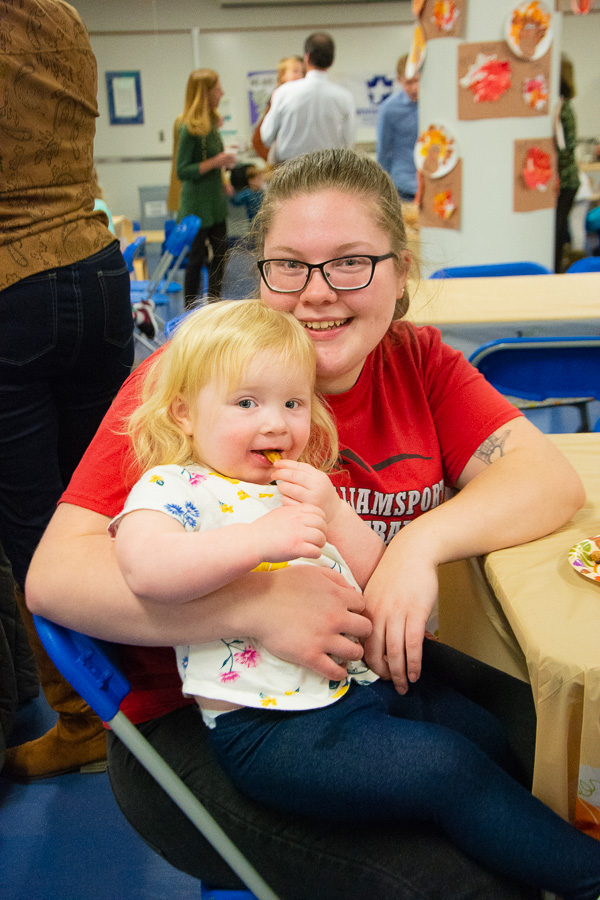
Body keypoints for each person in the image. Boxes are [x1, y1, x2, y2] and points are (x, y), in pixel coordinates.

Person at [26, 148, 586, 900]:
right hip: (206, 719)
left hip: (364, 681)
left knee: (549, 757)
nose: (317, 295)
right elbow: (55, 577)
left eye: (352, 262)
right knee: (462, 878)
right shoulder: (195, 381)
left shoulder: (416, 361)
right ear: (260, 273)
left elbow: (544, 477)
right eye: (289, 265)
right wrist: (253, 607)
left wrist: (421, 544)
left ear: (401, 268)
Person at [109, 299, 600, 900]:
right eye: (246, 403)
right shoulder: (176, 487)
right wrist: (255, 541)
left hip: (354, 692)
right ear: (185, 413)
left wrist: (336, 512)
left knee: (487, 733)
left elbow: (375, 575)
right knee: (447, 770)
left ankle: (517, 848)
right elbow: (145, 568)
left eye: (292, 403)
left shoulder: (297, 484)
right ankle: (584, 880)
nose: (275, 424)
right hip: (271, 732)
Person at [0, 0, 134, 781]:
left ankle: (83, 721)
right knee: (103, 502)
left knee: (33, 531)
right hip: (95, 265)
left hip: (11, 285)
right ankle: (143, 693)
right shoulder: (62, 16)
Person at [173, 69, 237, 307]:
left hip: (214, 202)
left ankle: (214, 306)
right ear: (204, 93)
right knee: (196, 259)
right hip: (197, 205)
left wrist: (224, 177)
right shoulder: (188, 128)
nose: (222, 93)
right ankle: (189, 310)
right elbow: (183, 170)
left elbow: (213, 160)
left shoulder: (212, 123)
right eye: (217, 89)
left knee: (221, 255)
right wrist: (216, 162)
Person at [260, 33, 356, 164]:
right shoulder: (345, 97)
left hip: (290, 171)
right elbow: (349, 143)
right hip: (328, 172)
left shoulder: (283, 93)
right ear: (332, 61)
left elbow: (266, 137)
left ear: (307, 57)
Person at [377, 54, 420, 203]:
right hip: (403, 186)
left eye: (417, 81)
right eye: (408, 83)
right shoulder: (389, 109)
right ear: (399, 80)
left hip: (432, 184)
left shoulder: (435, 105)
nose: (414, 88)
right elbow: (384, 150)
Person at [554, 55, 580, 272]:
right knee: (558, 231)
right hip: (565, 179)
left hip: (565, 180)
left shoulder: (564, 109)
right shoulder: (562, 106)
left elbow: (566, 148)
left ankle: (556, 273)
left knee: (556, 232)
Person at [252, 55, 305, 162]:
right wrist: (276, 162)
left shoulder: (306, 100)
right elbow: (258, 140)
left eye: (303, 72)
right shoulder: (277, 99)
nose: (300, 76)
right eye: (295, 71)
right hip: (287, 163)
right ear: (282, 75)